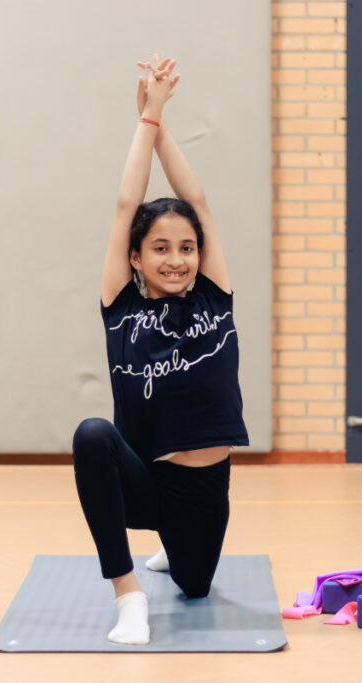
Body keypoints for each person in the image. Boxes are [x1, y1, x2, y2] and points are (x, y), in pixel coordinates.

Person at [71, 55, 249, 645]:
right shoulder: (122, 306)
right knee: (92, 434)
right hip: (142, 483)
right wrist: (144, 123)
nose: (177, 259)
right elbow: (127, 207)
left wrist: (158, 117)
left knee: (196, 585)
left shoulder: (213, 299)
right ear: (136, 257)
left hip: (201, 493)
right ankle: (129, 596)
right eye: (161, 248)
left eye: (187, 247)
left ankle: (175, 553)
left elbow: (194, 197)